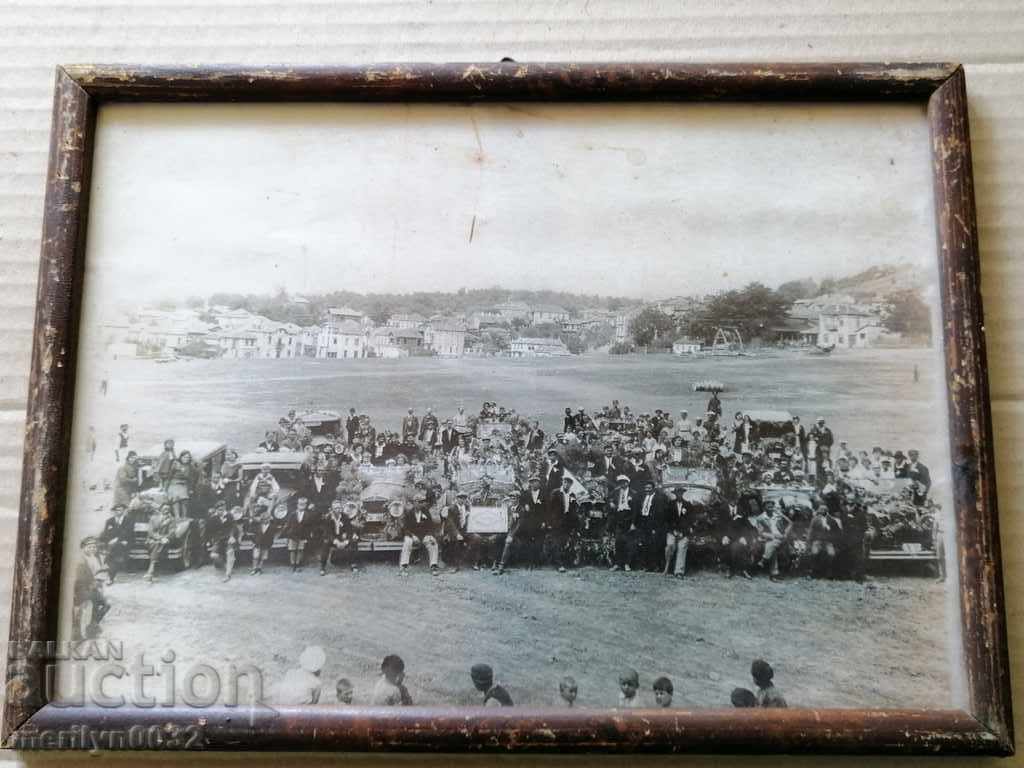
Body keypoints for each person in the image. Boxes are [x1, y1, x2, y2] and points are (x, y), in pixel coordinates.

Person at [72, 537, 111, 641]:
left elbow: (99, 571)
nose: (92, 549)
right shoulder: (80, 560)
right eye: (89, 547)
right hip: (81, 589)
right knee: (79, 609)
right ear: (83, 548)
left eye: (94, 547)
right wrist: (92, 583)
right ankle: (76, 632)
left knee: (106, 604)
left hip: (93, 587)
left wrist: (102, 572)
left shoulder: (95, 558)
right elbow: (79, 579)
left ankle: (92, 626)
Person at [632, 480, 669, 572]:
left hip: (653, 523)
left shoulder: (658, 498)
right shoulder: (642, 497)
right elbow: (638, 510)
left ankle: (655, 566)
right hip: (643, 522)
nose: (647, 490)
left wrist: (655, 527)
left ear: (653, 489)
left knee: (653, 545)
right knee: (643, 544)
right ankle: (645, 565)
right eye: (646, 488)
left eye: (649, 488)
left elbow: (660, 514)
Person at [400, 495, 440, 576]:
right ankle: (404, 566)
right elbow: (405, 528)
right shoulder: (409, 512)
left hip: (424, 535)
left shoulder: (426, 511)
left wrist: (429, 535)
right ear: (414, 503)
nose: (421, 504)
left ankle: (433, 566)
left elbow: (431, 526)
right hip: (412, 535)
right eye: (419, 502)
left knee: (433, 543)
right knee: (407, 542)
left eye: (422, 502)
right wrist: (412, 535)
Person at [319, 500, 360, 576]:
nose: (338, 510)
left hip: (342, 537)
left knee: (354, 542)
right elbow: (327, 532)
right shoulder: (328, 517)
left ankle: (353, 564)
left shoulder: (345, 517)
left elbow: (349, 531)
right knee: (325, 543)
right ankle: (322, 566)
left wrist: (346, 541)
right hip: (332, 538)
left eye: (339, 508)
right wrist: (336, 541)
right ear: (332, 509)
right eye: (336, 508)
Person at [546, 476, 578, 572]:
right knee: (557, 542)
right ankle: (559, 564)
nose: (566, 484)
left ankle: (563, 561)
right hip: (557, 521)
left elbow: (574, 509)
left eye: (569, 483)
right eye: (565, 482)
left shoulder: (572, 495)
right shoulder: (556, 493)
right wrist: (549, 522)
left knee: (564, 542)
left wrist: (574, 522)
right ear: (562, 482)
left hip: (567, 521)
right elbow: (549, 508)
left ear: (571, 485)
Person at [205, 502, 242, 582]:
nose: (220, 511)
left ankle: (228, 574)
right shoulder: (213, 518)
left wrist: (232, 536)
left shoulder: (229, 516)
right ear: (216, 510)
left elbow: (234, 527)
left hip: (229, 538)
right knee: (213, 555)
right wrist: (210, 540)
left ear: (225, 508)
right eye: (219, 510)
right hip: (219, 540)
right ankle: (226, 567)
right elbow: (209, 530)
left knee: (230, 552)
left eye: (222, 509)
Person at [283, 495, 319, 573]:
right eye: (300, 504)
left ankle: (298, 563)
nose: (301, 506)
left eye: (304, 504)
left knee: (300, 550)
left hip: (302, 534)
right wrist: (287, 533)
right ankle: (293, 564)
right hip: (293, 534)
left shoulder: (307, 514)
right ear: (297, 505)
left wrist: (309, 533)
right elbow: (288, 524)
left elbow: (310, 525)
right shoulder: (292, 514)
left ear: (306, 506)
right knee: (292, 550)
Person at [608, 475, 636, 572]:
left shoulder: (633, 493)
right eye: (620, 482)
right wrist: (611, 503)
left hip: (628, 519)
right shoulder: (616, 492)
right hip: (619, 519)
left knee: (628, 543)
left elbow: (635, 511)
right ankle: (617, 563)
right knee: (618, 542)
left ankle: (627, 564)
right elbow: (609, 498)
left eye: (624, 482)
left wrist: (633, 523)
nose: (622, 484)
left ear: (628, 482)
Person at [664, 488, 695, 579]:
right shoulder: (670, 504)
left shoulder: (688, 505)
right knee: (670, 546)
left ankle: (679, 572)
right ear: (675, 494)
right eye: (677, 493)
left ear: (683, 494)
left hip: (683, 533)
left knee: (682, 547)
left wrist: (683, 532)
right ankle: (667, 567)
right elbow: (667, 520)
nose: (679, 495)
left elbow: (690, 521)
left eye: (680, 493)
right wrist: (673, 531)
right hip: (672, 532)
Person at [99, 502, 133, 582]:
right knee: (114, 554)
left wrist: (118, 539)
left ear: (124, 511)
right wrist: (109, 540)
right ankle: (110, 576)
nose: (118, 512)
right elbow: (106, 533)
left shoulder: (129, 520)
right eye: (117, 510)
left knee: (112, 552)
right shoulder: (109, 521)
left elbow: (128, 532)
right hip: (113, 544)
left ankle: (105, 567)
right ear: (114, 511)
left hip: (125, 542)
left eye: (121, 510)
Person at [144, 503, 175, 583]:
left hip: (164, 541)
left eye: (168, 509)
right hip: (151, 540)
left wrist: (166, 538)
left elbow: (172, 532)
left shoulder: (171, 520)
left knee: (158, 544)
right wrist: (160, 538)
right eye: (164, 508)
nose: (166, 510)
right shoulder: (153, 518)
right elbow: (150, 532)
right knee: (157, 544)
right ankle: (152, 569)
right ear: (161, 509)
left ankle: (151, 570)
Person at [807, 503, 839, 579]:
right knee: (814, 553)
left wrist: (834, 540)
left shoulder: (832, 520)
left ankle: (828, 572)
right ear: (818, 510)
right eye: (821, 509)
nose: (823, 511)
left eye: (824, 509)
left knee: (831, 554)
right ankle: (813, 572)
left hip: (828, 541)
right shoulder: (815, 520)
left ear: (827, 511)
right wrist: (809, 543)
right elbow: (810, 531)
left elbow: (837, 531)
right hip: (817, 540)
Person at [166, 449, 201, 518]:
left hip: (184, 485)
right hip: (174, 484)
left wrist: (191, 488)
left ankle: (184, 517)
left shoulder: (191, 467)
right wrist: (166, 487)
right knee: (176, 500)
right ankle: (177, 517)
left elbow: (195, 477)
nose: (186, 459)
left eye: (188, 457)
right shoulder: (176, 464)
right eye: (184, 457)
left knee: (184, 501)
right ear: (181, 457)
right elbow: (169, 476)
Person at [249, 503, 277, 575]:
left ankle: (259, 568)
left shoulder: (272, 527)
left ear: (269, 519)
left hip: (266, 544)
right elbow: (252, 533)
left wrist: (270, 544)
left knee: (263, 557)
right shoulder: (257, 526)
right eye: (263, 519)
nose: (265, 520)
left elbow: (272, 536)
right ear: (261, 519)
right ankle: (254, 568)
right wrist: (253, 542)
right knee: (255, 556)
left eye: (267, 519)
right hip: (257, 543)